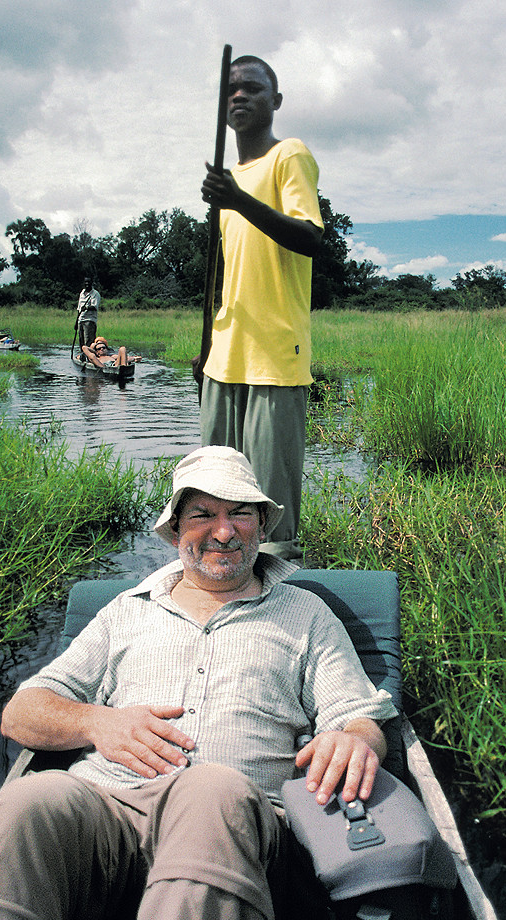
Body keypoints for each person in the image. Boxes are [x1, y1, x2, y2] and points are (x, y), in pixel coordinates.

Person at [0, 446, 396, 920]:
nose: (223, 532)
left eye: (240, 513)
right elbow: (22, 712)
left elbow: (358, 718)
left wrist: (354, 741)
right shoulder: (127, 610)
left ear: (262, 524)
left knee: (210, 788)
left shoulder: (306, 614)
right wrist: (98, 722)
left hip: (231, 821)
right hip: (105, 813)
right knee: (26, 804)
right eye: (203, 515)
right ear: (174, 532)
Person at [200, 56, 324, 561]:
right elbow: (229, 276)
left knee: (270, 516)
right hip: (223, 359)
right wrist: (208, 347)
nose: (239, 96)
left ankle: (281, 611)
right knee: (213, 500)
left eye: (252, 88)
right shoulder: (228, 178)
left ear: (275, 101)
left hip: (274, 358)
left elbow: (310, 237)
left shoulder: (288, 156)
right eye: (230, 89)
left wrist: (238, 199)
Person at [75, 276, 101, 347]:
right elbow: (79, 309)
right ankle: (82, 355)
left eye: (88, 282)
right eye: (85, 282)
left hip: (89, 320)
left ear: (91, 283)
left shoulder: (95, 294)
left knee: (89, 341)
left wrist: (86, 307)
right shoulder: (82, 293)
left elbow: (94, 307)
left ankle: (89, 356)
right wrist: (76, 322)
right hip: (81, 320)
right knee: (81, 340)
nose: (87, 284)